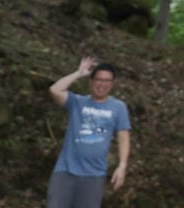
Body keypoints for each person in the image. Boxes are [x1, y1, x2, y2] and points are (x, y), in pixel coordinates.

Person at [47, 56, 131, 208]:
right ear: (91, 82)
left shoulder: (118, 107)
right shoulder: (77, 102)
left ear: (112, 84)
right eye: (99, 79)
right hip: (66, 171)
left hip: (94, 174)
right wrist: (78, 73)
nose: (102, 84)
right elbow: (54, 90)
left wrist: (122, 165)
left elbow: (123, 136)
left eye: (107, 81)